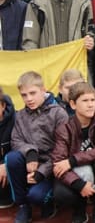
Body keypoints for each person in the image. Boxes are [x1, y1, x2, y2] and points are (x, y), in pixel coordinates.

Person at [6, 71, 68, 223]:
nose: (29, 99)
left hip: (51, 167)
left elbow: (62, 150)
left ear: (43, 90)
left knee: (37, 196)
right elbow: (16, 140)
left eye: (33, 93)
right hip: (29, 163)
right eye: (24, 95)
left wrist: (41, 172)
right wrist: (30, 152)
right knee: (12, 158)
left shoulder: (59, 113)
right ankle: (23, 206)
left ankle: (48, 201)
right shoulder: (20, 115)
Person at [51, 82, 95, 223]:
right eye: (85, 101)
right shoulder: (64, 128)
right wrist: (79, 184)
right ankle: (79, 209)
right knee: (60, 194)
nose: (90, 104)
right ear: (73, 104)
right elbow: (57, 163)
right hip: (77, 173)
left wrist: (72, 160)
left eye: (93, 100)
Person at [0, 87, 15, 209]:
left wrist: (5, 163)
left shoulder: (16, 119)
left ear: (3, 106)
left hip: (8, 166)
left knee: (14, 160)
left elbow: (20, 146)